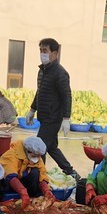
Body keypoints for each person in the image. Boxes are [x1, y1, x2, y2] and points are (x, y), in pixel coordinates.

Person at [25, 38, 79, 178]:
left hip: (53, 117)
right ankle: (70, 171)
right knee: (52, 147)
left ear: (54, 53)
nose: (42, 54)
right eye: (40, 51)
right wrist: (32, 109)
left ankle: (38, 176)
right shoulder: (42, 71)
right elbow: (40, 91)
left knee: (39, 148)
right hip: (44, 116)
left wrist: (66, 118)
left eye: (45, 51)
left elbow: (66, 96)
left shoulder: (60, 73)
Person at [0, 136, 55, 210]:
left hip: (21, 181)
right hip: (7, 183)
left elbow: (42, 174)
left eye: (38, 156)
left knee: (35, 172)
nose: (36, 158)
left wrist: (46, 190)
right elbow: (11, 176)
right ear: (27, 151)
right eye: (34, 156)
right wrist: (23, 192)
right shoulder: (11, 155)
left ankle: (31, 199)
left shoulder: (35, 155)